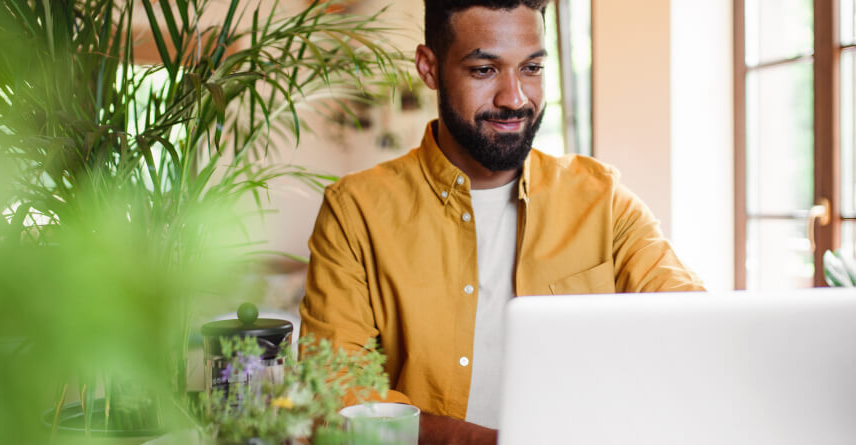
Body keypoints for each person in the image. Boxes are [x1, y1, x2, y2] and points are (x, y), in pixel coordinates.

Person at [299, 1, 704, 443]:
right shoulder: (355, 211)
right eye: (484, 70)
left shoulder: (603, 200)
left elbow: (694, 331)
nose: (514, 98)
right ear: (429, 68)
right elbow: (333, 398)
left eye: (531, 68)